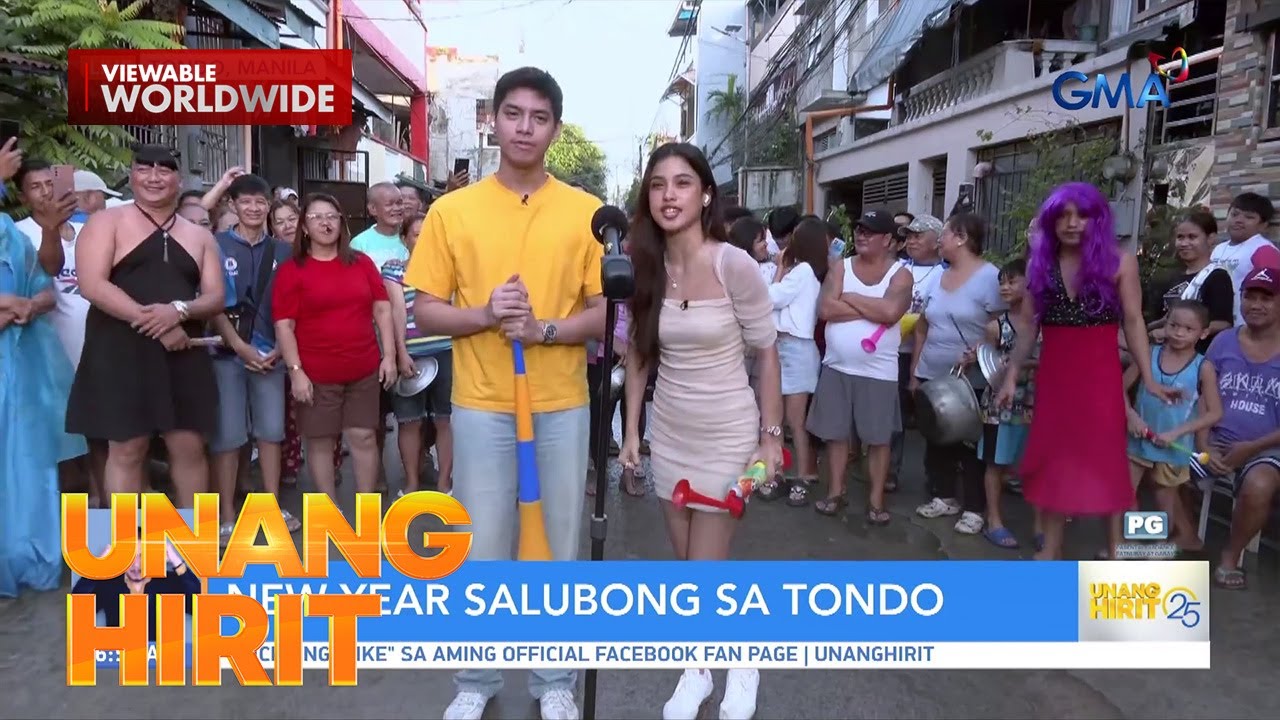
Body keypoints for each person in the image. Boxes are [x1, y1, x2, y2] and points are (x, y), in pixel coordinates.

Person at [404, 67, 603, 720]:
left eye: (538, 117)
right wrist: (487, 315)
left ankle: (554, 682)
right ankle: (477, 677)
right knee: (483, 543)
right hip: (483, 404)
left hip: (561, 403)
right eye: (512, 114)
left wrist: (544, 330)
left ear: (555, 128)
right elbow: (427, 312)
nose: (524, 128)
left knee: (555, 545)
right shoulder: (451, 210)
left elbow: (606, 314)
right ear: (492, 120)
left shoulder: (585, 214)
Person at [620, 142, 779, 720]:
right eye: (658, 184)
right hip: (671, 433)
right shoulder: (644, 268)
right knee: (687, 560)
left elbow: (768, 353)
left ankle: (717, 664)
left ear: (705, 193)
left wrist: (772, 436)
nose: (669, 195)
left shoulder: (732, 262)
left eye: (682, 183)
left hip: (728, 433)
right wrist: (632, 432)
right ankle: (714, 659)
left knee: (703, 571)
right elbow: (638, 357)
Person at [997, 182, 1179, 561]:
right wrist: (1012, 374)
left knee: (1107, 461)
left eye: (1081, 215)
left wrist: (1148, 377)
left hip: (1099, 378)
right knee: (1053, 460)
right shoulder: (1039, 264)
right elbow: (1029, 327)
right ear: (1051, 222)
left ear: (1096, 219)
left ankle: (1116, 551)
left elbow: (1133, 321)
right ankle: (1052, 549)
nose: (1072, 223)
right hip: (1056, 377)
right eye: (1063, 216)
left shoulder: (1119, 261)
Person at [65, 145, 225, 508]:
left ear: (178, 180)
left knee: (188, 446)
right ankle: (127, 548)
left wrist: (179, 311)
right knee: (127, 447)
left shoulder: (199, 235)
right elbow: (93, 285)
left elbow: (215, 297)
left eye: (164, 170)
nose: (155, 177)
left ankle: (193, 544)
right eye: (145, 169)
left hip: (184, 347)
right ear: (132, 175)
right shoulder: (107, 222)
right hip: (120, 348)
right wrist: (157, 322)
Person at [272, 194, 398, 499]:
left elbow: (382, 310)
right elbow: (284, 326)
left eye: (332, 216)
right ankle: (329, 510)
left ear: (342, 223)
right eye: (316, 217)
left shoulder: (361, 263)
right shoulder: (292, 270)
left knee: (364, 436)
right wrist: (296, 371)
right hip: (316, 373)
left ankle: (367, 507)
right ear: (304, 227)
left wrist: (390, 356)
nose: (325, 223)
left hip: (363, 367)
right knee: (320, 441)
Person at [0, 211, 86, 598]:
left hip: (23, 369)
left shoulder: (13, 238)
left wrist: (27, 305)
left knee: (27, 461)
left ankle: (27, 555)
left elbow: (47, 286)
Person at [806, 209, 912, 523]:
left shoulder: (901, 274)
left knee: (878, 440)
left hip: (878, 371)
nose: (861, 235)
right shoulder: (841, 267)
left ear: (889, 240)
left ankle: (876, 502)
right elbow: (825, 308)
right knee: (835, 436)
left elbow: (893, 311)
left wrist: (849, 297)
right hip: (837, 366)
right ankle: (835, 493)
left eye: (870, 231)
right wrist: (873, 309)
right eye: (859, 229)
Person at [207, 174, 295, 539]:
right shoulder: (214, 245)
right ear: (233, 205)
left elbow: (293, 305)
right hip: (225, 352)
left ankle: (270, 508)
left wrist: (279, 348)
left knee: (271, 433)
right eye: (246, 202)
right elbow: (211, 303)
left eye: (261, 202)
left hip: (272, 353)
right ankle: (227, 513)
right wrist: (240, 347)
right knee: (228, 436)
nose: (255, 208)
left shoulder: (284, 251)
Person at [910, 214, 1005, 535]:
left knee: (970, 443)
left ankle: (974, 508)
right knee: (936, 437)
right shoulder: (939, 275)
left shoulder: (989, 277)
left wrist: (979, 349)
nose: (940, 240)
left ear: (962, 237)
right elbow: (923, 323)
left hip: (972, 378)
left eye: (945, 234)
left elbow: (1001, 326)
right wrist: (916, 369)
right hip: (934, 373)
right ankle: (943, 495)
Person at [1200, 266, 1280, 589]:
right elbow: (1204, 396)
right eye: (1250, 296)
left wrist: (1250, 448)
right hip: (1214, 441)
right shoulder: (1223, 341)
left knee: (1259, 485)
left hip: (1266, 448)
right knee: (1159, 463)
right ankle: (1179, 538)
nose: (1256, 305)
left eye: (1267, 298)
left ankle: (1229, 558)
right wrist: (1204, 443)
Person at [1124, 299, 1222, 554]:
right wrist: (1131, 416)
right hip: (1138, 438)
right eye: (1173, 325)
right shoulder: (1149, 354)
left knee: (1164, 498)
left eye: (1188, 329)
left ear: (1203, 333)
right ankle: (1128, 544)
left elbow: (1214, 413)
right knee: (1125, 491)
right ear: (1165, 324)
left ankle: (1157, 546)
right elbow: (1119, 388)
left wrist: (1176, 433)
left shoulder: (1204, 367)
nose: (1178, 333)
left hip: (1174, 447)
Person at [384, 213, 455, 496]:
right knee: (409, 421)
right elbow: (396, 313)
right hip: (411, 354)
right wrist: (401, 353)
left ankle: (444, 483)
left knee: (445, 419)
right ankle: (412, 483)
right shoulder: (394, 271)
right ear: (404, 239)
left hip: (447, 351)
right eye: (416, 234)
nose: (423, 239)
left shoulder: (451, 270)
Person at [976, 259, 1038, 549]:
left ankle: (1041, 526)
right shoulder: (994, 326)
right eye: (1002, 281)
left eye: (1012, 281)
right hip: (1001, 402)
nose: (1005, 287)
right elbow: (991, 366)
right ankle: (994, 520)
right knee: (995, 461)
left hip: (1038, 401)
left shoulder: (1045, 321)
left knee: (1038, 464)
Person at [762, 216, 825, 503]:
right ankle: (784, 475)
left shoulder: (802, 272)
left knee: (794, 421)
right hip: (786, 347)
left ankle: (803, 475)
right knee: (782, 419)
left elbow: (771, 297)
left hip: (795, 350)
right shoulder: (806, 272)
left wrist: (777, 271)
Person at [889, 213, 945, 491]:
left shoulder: (943, 276)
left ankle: (937, 478)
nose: (911, 241)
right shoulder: (897, 268)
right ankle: (890, 470)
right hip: (893, 353)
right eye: (908, 236)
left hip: (927, 354)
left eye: (918, 235)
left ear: (937, 242)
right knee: (894, 414)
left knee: (933, 417)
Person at [1146, 210, 1233, 353]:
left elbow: (1223, 323)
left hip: (1196, 359)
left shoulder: (1217, 277)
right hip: (1163, 355)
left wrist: (1173, 331)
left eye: (1192, 237)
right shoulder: (1172, 277)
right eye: (1180, 237)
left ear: (1210, 238)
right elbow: (1164, 318)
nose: (1184, 243)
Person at [1209, 192, 1278, 325]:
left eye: (1249, 217)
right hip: (1212, 327)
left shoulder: (1264, 250)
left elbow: (1272, 295)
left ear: (1263, 225)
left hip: (1245, 329)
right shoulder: (1218, 249)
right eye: (1234, 214)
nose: (1239, 220)